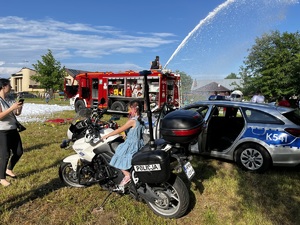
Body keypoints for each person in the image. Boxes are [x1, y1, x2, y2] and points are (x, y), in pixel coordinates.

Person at [101, 100, 144, 187]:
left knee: (118, 156)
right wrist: (126, 135)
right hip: (138, 143)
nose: (128, 111)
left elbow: (119, 130)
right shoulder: (140, 119)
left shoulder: (132, 121)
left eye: (129, 109)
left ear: (134, 109)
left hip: (131, 144)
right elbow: (135, 131)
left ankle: (127, 175)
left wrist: (107, 135)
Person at [0, 78, 24, 187]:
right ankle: (1, 178)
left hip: (13, 129)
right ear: (3, 87)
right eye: (9, 85)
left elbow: (16, 114)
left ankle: (9, 169)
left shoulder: (9, 99)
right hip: (2, 131)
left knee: (18, 152)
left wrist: (18, 108)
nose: (11, 87)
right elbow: (0, 117)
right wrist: (12, 108)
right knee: (5, 155)